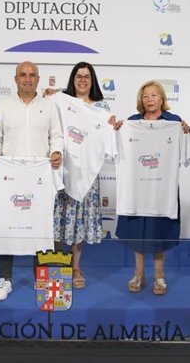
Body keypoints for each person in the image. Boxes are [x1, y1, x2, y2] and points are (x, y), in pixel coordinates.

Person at [0, 61, 64, 301]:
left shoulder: (49, 106)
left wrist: (57, 152)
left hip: (39, 176)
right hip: (10, 176)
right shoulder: (4, 106)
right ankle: (5, 279)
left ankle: (42, 279)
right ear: (15, 78)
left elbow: (57, 135)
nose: (27, 79)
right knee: (6, 225)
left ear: (38, 79)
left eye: (32, 75)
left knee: (38, 226)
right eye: (23, 75)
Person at [114, 81, 190, 296]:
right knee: (138, 234)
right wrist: (116, 131)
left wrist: (185, 133)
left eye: (154, 95)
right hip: (137, 192)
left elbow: (186, 155)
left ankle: (159, 275)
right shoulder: (131, 123)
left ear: (162, 99)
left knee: (159, 234)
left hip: (161, 191)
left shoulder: (175, 123)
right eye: (145, 96)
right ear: (141, 100)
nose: (149, 99)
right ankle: (138, 274)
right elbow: (115, 149)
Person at [46, 62, 115, 289]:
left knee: (80, 219)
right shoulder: (60, 102)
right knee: (59, 216)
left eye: (87, 76)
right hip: (61, 169)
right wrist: (47, 97)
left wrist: (114, 128)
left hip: (86, 173)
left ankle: (76, 267)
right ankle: (57, 263)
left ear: (92, 80)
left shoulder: (102, 109)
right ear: (73, 79)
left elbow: (110, 138)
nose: (83, 80)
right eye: (79, 76)